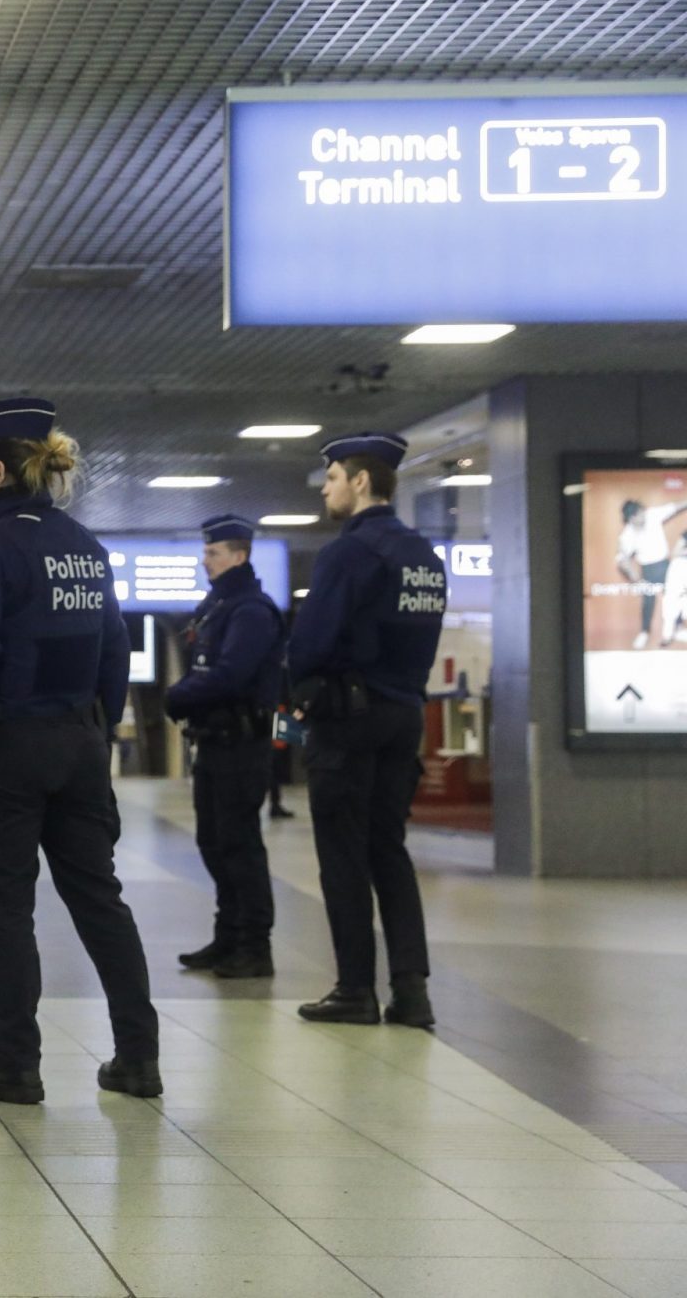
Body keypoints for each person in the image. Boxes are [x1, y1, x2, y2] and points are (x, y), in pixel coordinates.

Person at [0, 400, 162, 1105]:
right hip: (80, 745)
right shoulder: (85, 547)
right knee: (100, 902)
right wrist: (96, 732)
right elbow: (113, 651)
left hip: (7, 753)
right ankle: (138, 1058)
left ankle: (15, 1066)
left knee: (7, 911)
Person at [287, 431, 447, 1028]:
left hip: (348, 719)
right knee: (389, 851)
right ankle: (412, 991)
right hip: (404, 715)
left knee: (344, 856)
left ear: (359, 481)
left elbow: (311, 641)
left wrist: (299, 686)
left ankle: (355, 989)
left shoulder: (350, 552)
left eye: (331, 477)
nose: (325, 488)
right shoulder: (424, 557)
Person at [165, 514, 286, 980]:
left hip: (242, 744)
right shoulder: (218, 607)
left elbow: (231, 675)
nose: (205, 561)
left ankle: (255, 946)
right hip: (215, 744)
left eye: (213, 553)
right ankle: (228, 936)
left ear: (239, 556)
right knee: (214, 842)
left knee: (239, 846)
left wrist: (178, 696)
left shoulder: (251, 611)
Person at [616, 499, 687, 649]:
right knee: (648, 601)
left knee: (676, 596)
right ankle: (644, 632)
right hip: (647, 568)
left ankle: (677, 628)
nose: (643, 517)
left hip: (665, 564)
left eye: (643, 513)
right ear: (631, 518)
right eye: (639, 515)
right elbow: (623, 561)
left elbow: (675, 506)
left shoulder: (652, 514)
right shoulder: (627, 535)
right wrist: (636, 579)